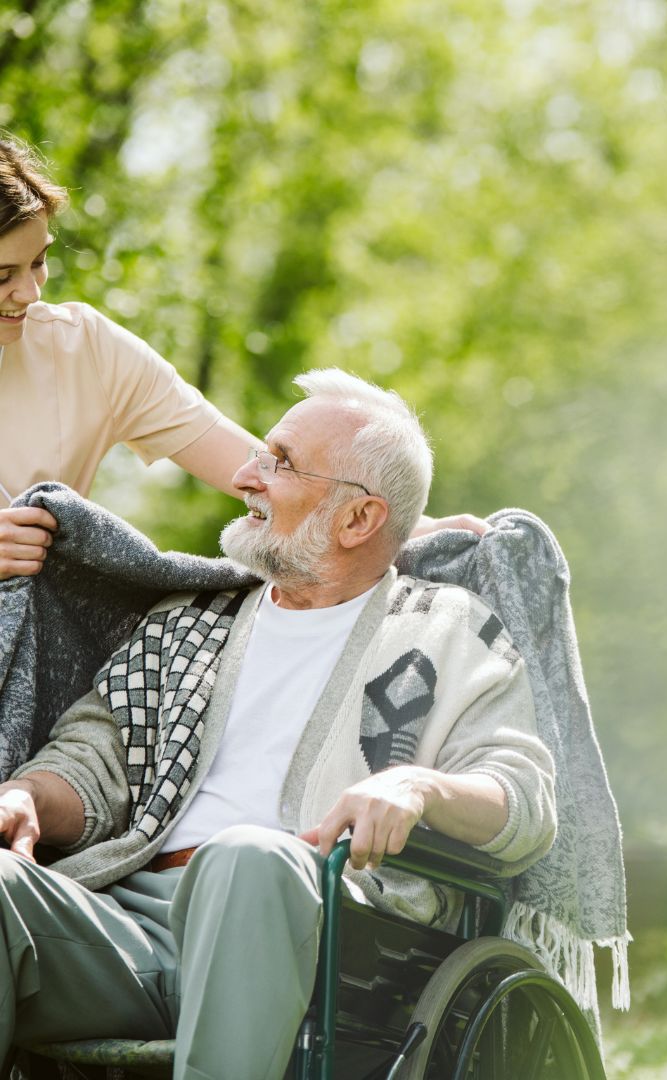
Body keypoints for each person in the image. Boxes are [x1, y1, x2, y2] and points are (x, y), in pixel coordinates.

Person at [0, 368, 556, 1079]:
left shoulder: (451, 634)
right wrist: (26, 794)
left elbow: (526, 797)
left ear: (360, 519)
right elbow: (92, 761)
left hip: (331, 933)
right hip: (134, 926)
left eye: (279, 462)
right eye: (259, 455)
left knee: (249, 856)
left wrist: (421, 788)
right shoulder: (187, 624)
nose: (244, 476)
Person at [0, 136, 483, 581]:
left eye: (39, 260)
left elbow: (250, 462)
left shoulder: (84, 350)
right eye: (4, 274)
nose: (30, 291)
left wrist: (410, 526)